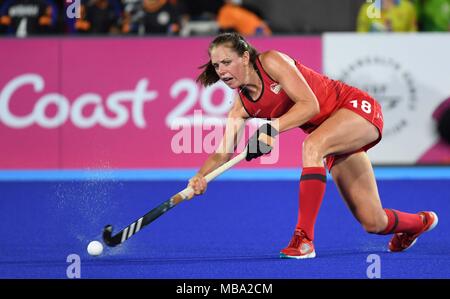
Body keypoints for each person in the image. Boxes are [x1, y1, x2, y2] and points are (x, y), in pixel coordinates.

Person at [187, 32, 438, 259]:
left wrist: (270, 129)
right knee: (373, 222)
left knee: (311, 146)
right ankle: (418, 223)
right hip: (331, 136)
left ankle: (304, 240)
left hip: (354, 109)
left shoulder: (271, 61)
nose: (221, 71)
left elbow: (310, 105)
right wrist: (200, 177)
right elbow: (223, 152)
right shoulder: (240, 107)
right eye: (216, 65)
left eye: (226, 62)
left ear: (244, 57)